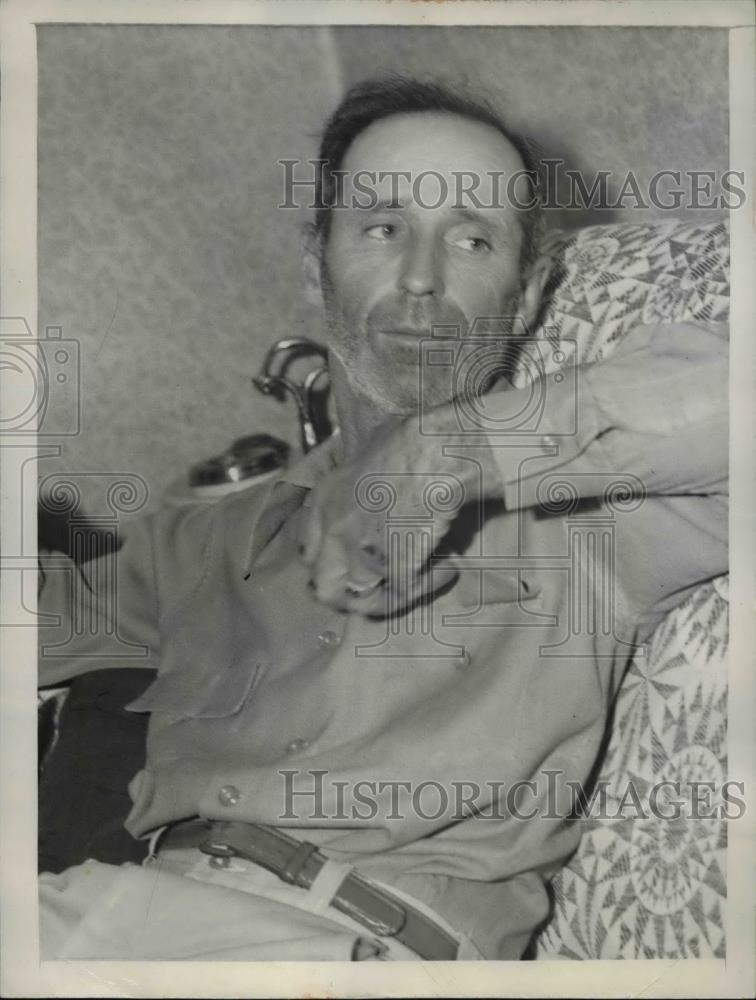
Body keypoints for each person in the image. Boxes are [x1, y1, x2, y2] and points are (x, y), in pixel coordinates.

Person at [37, 77, 727, 961]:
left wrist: (456, 451)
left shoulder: (586, 514)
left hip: (348, 944)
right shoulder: (203, 538)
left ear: (525, 298)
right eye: (383, 227)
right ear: (315, 261)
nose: (421, 280)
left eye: (473, 239)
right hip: (103, 912)